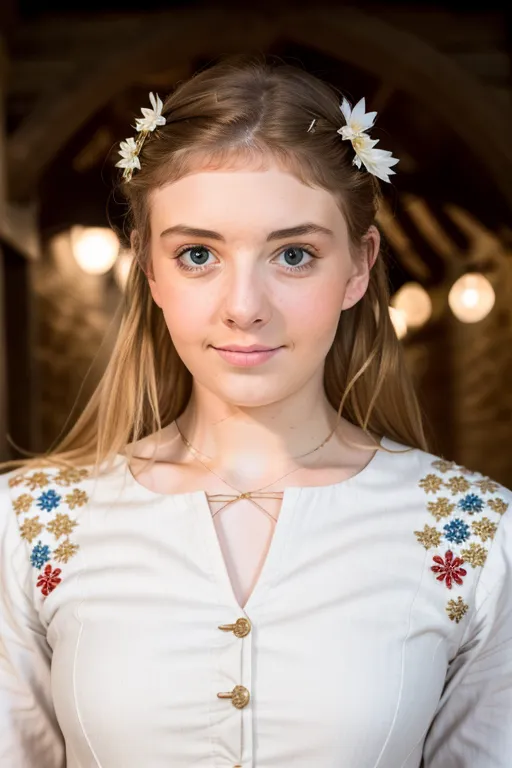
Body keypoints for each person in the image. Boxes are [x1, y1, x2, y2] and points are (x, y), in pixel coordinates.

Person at [0, 53, 511, 768]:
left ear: (359, 266)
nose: (244, 308)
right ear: (149, 268)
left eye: (294, 254)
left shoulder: (476, 535)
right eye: (198, 255)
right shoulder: (28, 526)